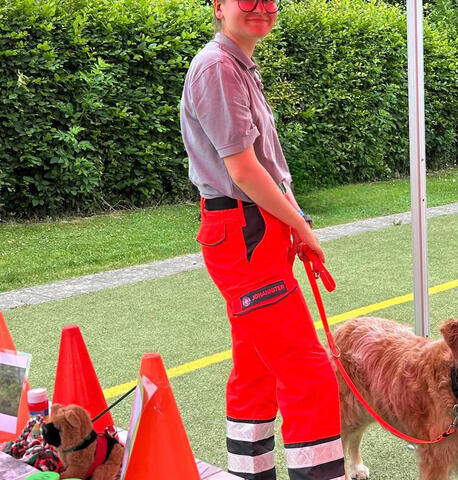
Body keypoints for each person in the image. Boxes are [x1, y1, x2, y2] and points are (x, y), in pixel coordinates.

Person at [180, 0, 344, 479]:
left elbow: (261, 166)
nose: (261, 7)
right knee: (308, 372)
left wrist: (290, 225)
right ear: (218, 5)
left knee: (256, 367)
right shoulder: (217, 67)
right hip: (244, 233)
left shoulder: (238, 65)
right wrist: (300, 225)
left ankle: (248, 473)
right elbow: (245, 169)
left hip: (253, 229)